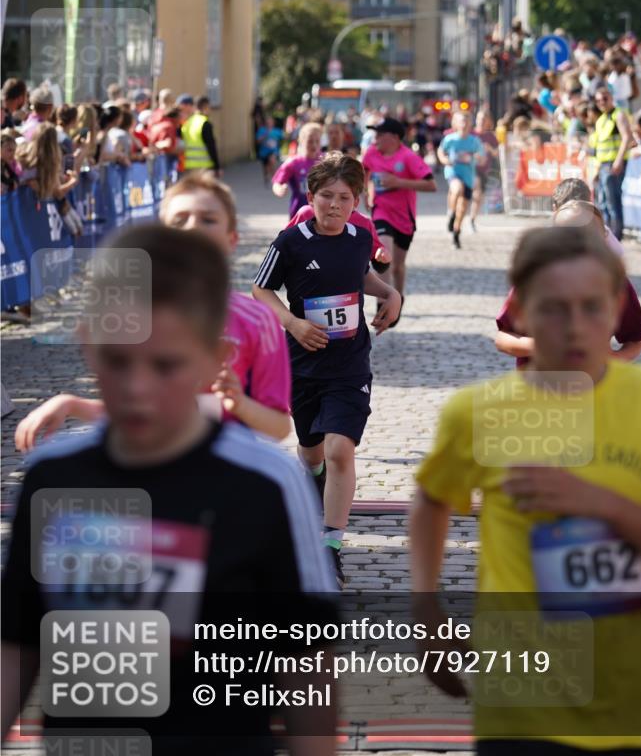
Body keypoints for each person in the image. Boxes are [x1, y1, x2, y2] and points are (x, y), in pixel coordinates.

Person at [2, 223, 337, 756]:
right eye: (117, 361)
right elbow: (18, 642)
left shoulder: (267, 485)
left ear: (217, 358)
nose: (138, 388)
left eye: (166, 366)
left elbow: (306, 663)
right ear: (89, 341)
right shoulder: (53, 476)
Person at [411, 225, 641, 755]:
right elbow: (434, 497)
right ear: (521, 312)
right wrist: (427, 610)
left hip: (632, 701)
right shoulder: (479, 412)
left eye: (592, 308)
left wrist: (604, 506)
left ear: (618, 307)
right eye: (553, 308)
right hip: (521, 704)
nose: (574, 328)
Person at [15, 171, 292, 451]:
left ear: (232, 239)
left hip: (231, 478)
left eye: (208, 219)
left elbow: (280, 427)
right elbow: (138, 411)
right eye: (180, 220)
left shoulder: (258, 321)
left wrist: (240, 405)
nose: (192, 227)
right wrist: (72, 404)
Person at [253, 152, 401, 588]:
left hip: (349, 363)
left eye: (345, 198)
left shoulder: (359, 236)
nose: (335, 205)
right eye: (326, 196)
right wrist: (295, 324)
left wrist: (389, 292)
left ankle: (330, 547)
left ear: (357, 200)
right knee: (312, 450)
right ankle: (312, 479)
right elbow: (260, 289)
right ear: (311, 197)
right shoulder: (291, 242)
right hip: (302, 363)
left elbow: (362, 277)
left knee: (340, 450)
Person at [495, 183, 641, 366]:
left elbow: (636, 341)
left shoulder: (616, 284)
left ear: (602, 238)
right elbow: (503, 338)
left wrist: (611, 361)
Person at [362, 116, 436, 311]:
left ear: (394, 137)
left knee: (397, 266)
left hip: (404, 218)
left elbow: (431, 184)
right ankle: (383, 301)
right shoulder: (371, 154)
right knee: (383, 253)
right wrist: (365, 194)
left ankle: (399, 296)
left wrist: (398, 182)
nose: (375, 138)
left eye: (379, 134)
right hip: (381, 212)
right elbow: (363, 173)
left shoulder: (408, 157)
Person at [437, 109, 484, 249]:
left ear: (470, 124)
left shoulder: (474, 141)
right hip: (453, 172)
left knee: (463, 208)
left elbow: (481, 157)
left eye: (466, 121)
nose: (464, 124)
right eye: (461, 121)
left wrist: (476, 158)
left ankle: (456, 233)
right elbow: (440, 151)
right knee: (457, 188)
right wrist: (444, 160)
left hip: (468, 175)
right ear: (456, 123)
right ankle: (451, 213)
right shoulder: (450, 139)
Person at [592, 86, 633, 241]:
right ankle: (607, 234)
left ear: (611, 97)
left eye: (604, 98)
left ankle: (615, 237)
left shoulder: (619, 115)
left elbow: (627, 137)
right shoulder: (601, 119)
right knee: (603, 203)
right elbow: (599, 147)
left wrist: (619, 160)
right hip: (603, 165)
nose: (601, 102)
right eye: (598, 100)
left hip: (613, 164)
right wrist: (596, 168)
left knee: (612, 202)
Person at [272, 121, 322, 217]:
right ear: (302, 141)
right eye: (310, 141)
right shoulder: (293, 162)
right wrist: (280, 189)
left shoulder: (326, 161)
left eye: (317, 141)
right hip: (299, 213)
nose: (314, 145)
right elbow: (277, 182)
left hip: (321, 213)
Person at [470, 109, 499, 230]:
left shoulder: (490, 136)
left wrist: (489, 149)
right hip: (469, 168)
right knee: (475, 190)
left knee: (478, 196)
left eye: (484, 119)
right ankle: (454, 213)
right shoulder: (470, 134)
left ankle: (472, 219)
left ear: (488, 122)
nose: (481, 121)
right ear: (476, 120)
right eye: (479, 118)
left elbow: (497, 154)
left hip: (483, 170)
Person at [179, 94, 221, 175]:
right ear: (205, 107)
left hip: (189, 166)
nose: (210, 110)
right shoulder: (204, 123)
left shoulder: (187, 123)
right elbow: (211, 146)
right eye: (209, 107)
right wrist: (217, 167)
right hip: (204, 166)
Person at [255, 115, 283, 184]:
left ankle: (274, 178)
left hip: (273, 151)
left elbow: (282, 138)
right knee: (266, 167)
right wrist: (265, 135)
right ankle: (267, 175)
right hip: (264, 152)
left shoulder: (277, 131)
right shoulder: (261, 130)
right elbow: (258, 141)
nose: (269, 123)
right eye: (267, 122)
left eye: (270, 122)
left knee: (272, 161)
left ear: (273, 123)